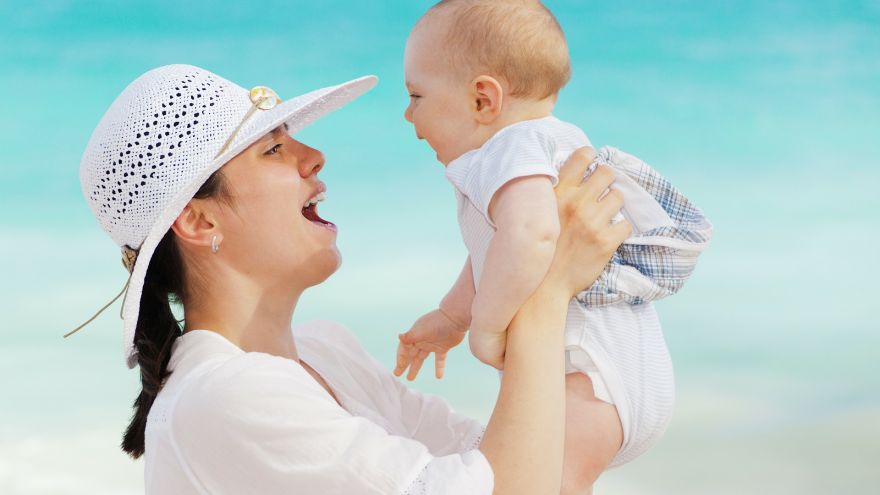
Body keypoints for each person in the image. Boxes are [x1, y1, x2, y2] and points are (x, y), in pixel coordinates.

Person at [72, 63, 630, 494]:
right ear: (199, 219)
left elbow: (535, 470)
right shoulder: (222, 397)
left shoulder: (327, 352)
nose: (315, 156)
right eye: (273, 149)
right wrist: (546, 285)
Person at [393, 1, 713, 491]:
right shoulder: (551, 142)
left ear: (483, 99)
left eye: (416, 95)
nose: (408, 115)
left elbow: (532, 236)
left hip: (586, 374)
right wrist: (452, 316)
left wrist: (486, 328)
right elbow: (497, 250)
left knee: (545, 483)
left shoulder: (509, 148)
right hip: (619, 373)